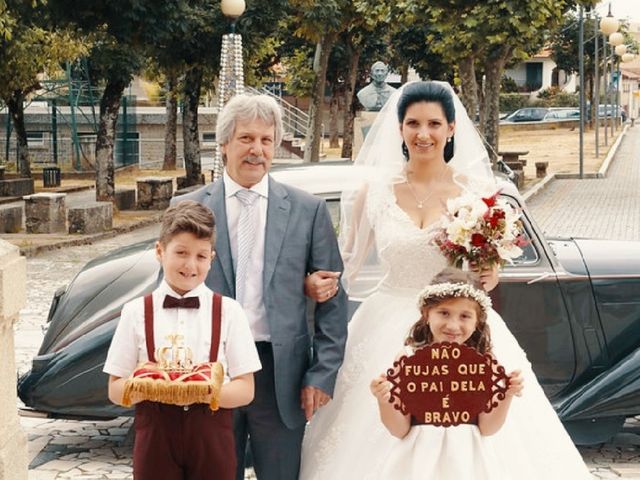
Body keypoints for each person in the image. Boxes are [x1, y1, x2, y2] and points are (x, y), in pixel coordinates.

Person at [300, 81, 592, 479]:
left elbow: (485, 267)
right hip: (385, 321)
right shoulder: (376, 191)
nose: (423, 134)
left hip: (456, 323)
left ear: (451, 128)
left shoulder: (476, 194)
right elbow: (346, 261)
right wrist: (314, 286)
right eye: (413, 123)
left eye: (434, 124)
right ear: (399, 128)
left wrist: (491, 271)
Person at [173, 93, 348, 480]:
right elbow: (168, 294)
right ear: (224, 146)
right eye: (246, 139)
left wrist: (321, 374)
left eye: (266, 140)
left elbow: (334, 302)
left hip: (279, 374)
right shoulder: (188, 208)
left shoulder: (308, 210)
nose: (257, 150)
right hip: (210, 370)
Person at [103, 200, 262, 479]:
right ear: (159, 251)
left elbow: (246, 389)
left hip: (212, 436)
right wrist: (154, 388)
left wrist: (201, 391)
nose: (191, 265)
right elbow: (115, 389)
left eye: (201, 256)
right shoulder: (135, 312)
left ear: (211, 259)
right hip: (155, 435)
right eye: (181, 253)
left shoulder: (228, 311)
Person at [370, 268, 524, 479]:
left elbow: (487, 427)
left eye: (465, 316)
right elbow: (400, 429)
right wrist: (385, 400)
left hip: (468, 460)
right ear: (426, 314)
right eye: (444, 313)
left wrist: (506, 395)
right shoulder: (408, 359)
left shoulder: (483, 363)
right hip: (418, 461)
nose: (453, 325)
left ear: (477, 321)